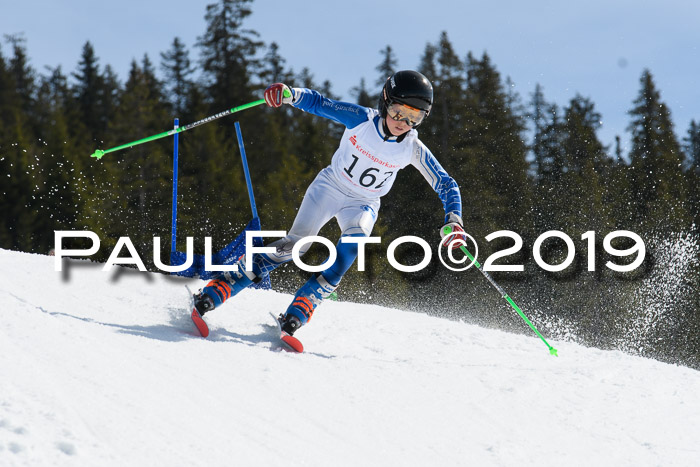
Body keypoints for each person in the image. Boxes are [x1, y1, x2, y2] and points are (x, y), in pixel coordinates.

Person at [192, 70, 466, 336]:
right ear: (385, 100)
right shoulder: (360, 120)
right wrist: (289, 94)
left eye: (414, 117)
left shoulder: (412, 148)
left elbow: (445, 183)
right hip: (330, 187)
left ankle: (301, 308)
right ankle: (220, 287)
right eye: (398, 111)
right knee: (297, 246)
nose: (403, 122)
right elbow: (321, 104)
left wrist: (454, 221)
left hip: (364, 203)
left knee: (351, 247)